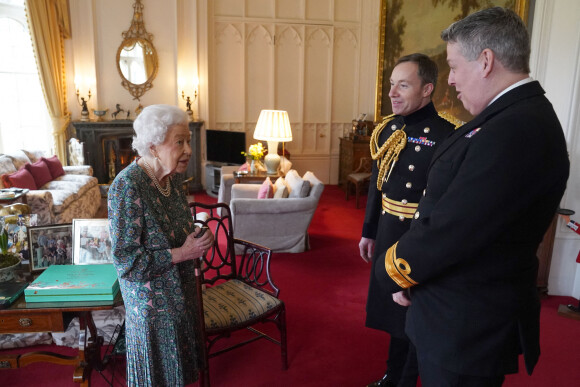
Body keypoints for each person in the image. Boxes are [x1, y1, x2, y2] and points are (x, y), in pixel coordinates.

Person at [374, 7, 570, 385]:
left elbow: (453, 229)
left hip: (465, 324)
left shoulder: (513, 131)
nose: (450, 80)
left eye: (454, 65)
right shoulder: (511, 118)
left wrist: (392, 271)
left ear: (485, 61)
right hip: (457, 314)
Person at [360, 53, 455, 387]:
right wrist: (369, 231)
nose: (392, 93)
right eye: (391, 85)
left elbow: (441, 204)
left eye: (403, 85)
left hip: (417, 238)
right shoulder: (389, 129)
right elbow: (377, 183)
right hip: (388, 232)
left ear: (427, 89)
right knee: (392, 313)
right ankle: (392, 376)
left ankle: (404, 381)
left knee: (414, 315)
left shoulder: (446, 135)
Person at [108, 104, 214, 387]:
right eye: (180, 142)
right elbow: (127, 262)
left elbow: (179, 229)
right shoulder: (127, 186)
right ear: (153, 146)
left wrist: (199, 235)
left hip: (181, 298)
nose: (189, 150)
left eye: (188, 141)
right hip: (153, 312)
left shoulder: (174, 180)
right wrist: (183, 253)